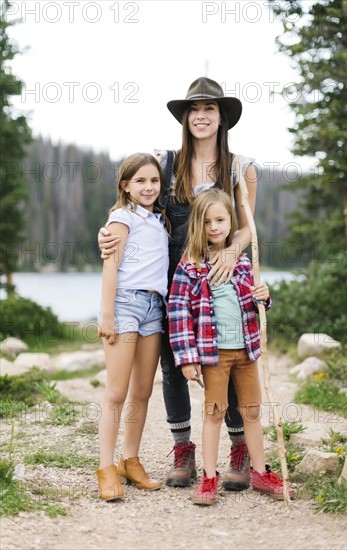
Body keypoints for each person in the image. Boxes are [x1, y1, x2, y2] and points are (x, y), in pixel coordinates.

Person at [98, 77, 257, 490]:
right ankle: (183, 448)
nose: (201, 116)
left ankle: (239, 450)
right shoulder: (166, 163)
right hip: (173, 278)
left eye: (210, 109)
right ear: (185, 118)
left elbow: (247, 229)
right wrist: (108, 231)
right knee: (174, 365)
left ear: (222, 117)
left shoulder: (241, 167)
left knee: (231, 357)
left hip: (221, 277)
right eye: (194, 110)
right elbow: (134, 200)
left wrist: (231, 251)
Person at [168, 188, 293, 505]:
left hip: (247, 352)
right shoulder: (190, 266)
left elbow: (256, 304)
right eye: (207, 221)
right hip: (214, 356)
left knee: (251, 411)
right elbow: (179, 311)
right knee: (214, 412)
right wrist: (186, 358)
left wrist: (264, 297)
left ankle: (260, 470)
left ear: (230, 221)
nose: (214, 227)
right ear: (199, 224)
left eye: (221, 220)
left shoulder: (242, 262)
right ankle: (210, 478)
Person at [96, 152, 169, 501]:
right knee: (116, 392)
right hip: (126, 305)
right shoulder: (121, 217)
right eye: (140, 180)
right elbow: (111, 267)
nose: (148, 186)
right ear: (125, 185)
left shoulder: (158, 220)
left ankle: (130, 459)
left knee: (143, 391)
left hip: (155, 308)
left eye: (154, 180)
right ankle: (106, 468)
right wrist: (107, 314)